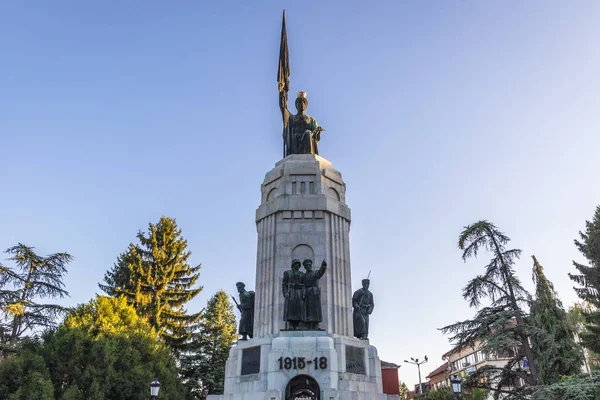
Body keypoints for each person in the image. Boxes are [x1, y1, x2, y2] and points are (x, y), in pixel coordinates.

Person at [280, 91, 324, 156]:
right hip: (294, 143)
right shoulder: (292, 118)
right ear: (296, 105)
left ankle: (309, 155)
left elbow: (315, 135)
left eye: (304, 102)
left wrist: (318, 131)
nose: (302, 104)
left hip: (308, 140)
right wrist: (282, 93)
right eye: (300, 102)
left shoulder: (311, 119)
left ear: (306, 105)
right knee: (301, 135)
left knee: (308, 133)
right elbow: (283, 108)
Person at [303, 259, 327, 330]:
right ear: (304, 267)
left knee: (316, 310)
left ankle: (316, 325)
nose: (308, 266)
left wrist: (323, 265)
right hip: (307, 294)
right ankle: (309, 325)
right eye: (306, 266)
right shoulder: (304, 276)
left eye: (309, 265)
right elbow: (303, 285)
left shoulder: (315, 273)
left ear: (311, 265)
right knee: (308, 310)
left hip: (315, 293)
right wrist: (303, 293)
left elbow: (321, 272)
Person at [282, 259, 305, 330]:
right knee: (290, 309)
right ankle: (291, 324)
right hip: (291, 292)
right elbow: (284, 284)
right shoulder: (287, 273)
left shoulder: (302, 274)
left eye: (298, 264)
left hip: (299, 292)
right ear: (293, 265)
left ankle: (297, 324)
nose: (297, 265)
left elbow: (304, 285)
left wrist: (303, 293)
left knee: (299, 309)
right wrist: (285, 292)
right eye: (296, 264)